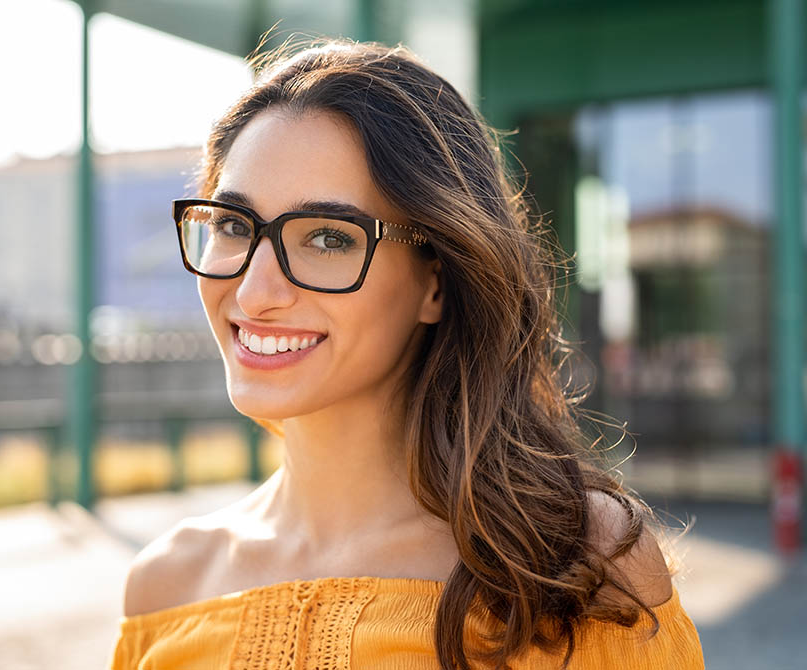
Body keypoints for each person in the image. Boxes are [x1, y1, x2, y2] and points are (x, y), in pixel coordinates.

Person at [108, 39, 704, 670]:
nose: (255, 292)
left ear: (436, 281)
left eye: (329, 238)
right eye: (231, 224)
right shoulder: (163, 589)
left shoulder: (578, 571)